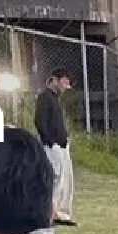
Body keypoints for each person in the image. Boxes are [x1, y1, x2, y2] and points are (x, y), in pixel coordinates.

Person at [35, 69, 75, 226]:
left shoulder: (55, 99)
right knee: (55, 177)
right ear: (54, 80)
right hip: (53, 146)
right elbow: (40, 121)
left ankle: (61, 213)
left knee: (66, 180)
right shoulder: (45, 97)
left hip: (62, 145)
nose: (66, 86)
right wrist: (50, 142)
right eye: (64, 81)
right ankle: (49, 212)